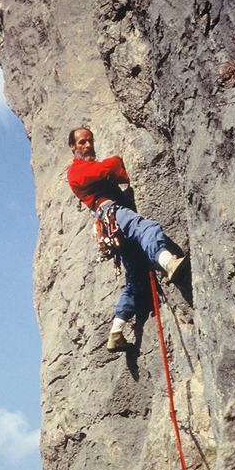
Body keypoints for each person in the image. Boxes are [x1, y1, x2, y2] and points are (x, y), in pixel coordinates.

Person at [67, 127, 187, 352]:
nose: (88, 145)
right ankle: (168, 262)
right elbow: (108, 168)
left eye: (90, 141)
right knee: (145, 228)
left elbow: (117, 175)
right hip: (113, 212)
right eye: (82, 142)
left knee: (136, 277)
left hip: (111, 226)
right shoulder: (76, 170)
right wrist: (118, 160)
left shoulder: (90, 168)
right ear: (72, 147)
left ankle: (116, 330)